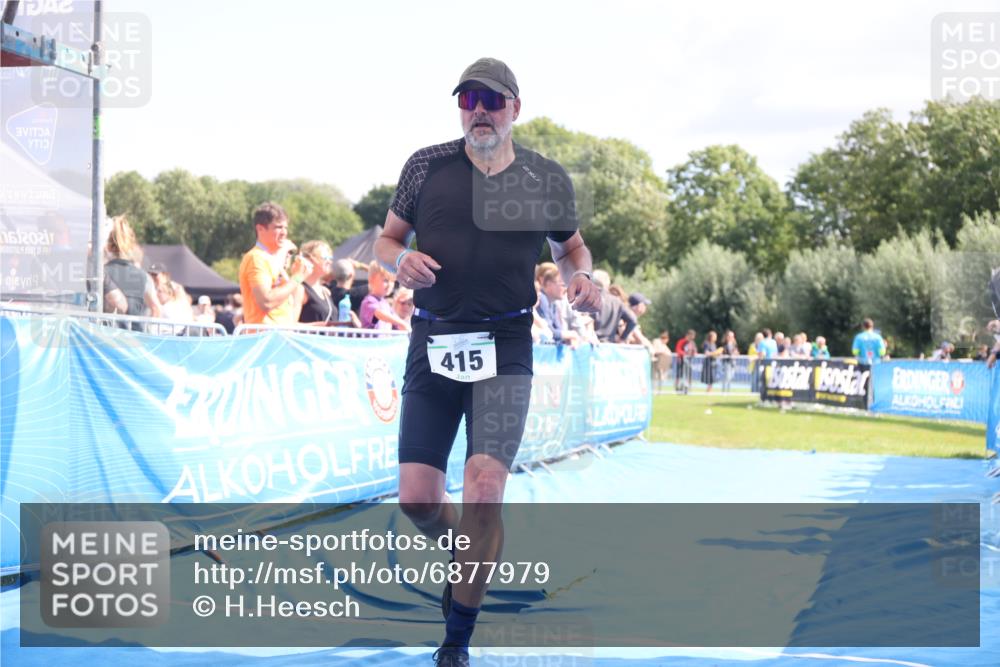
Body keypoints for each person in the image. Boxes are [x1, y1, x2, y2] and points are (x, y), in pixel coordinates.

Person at [372, 56, 600, 667]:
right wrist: (399, 261)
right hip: (434, 340)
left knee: (483, 486)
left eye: (491, 100)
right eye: (468, 98)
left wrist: (588, 279)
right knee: (418, 499)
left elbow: (572, 249)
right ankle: (467, 553)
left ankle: (456, 642)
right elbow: (387, 238)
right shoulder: (425, 166)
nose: (479, 109)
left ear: (514, 109)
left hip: (504, 347)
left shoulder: (545, 179)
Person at [238, 202, 311, 325]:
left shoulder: (272, 260)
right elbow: (267, 302)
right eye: (278, 227)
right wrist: (298, 277)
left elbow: (287, 316)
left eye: (286, 228)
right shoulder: (256, 258)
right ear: (260, 229)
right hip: (265, 339)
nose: (284, 233)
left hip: (280, 337)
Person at [102, 215, 161, 327]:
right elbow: (156, 308)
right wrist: (148, 333)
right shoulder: (143, 276)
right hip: (135, 340)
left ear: (108, 247)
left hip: (105, 339)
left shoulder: (101, 274)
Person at [535, 263, 580, 347]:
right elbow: (549, 332)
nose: (566, 288)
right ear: (548, 284)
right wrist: (571, 335)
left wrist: (569, 337)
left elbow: (558, 330)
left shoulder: (553, 304)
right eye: (563, 285)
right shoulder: (540, 300)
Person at [360, 261, 410, 331]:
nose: (390, 285)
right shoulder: (369, 301)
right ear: (372, 280)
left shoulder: (385, 303)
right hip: (372, 341)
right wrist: (401, 323)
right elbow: (379, 314)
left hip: (384, 340)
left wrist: (402, 325)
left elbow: (394, 317)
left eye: (392, 281)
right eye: (386, 280)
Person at [298, 241, 337, 324]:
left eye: (330, 258)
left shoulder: (325, 292)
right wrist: (313, 326)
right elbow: (289, 325)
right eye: (325, 258)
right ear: (310, 260)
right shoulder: (300, 290)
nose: (329, 261)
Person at [592, 270, 636, 343]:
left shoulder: (588, 298)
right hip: (610, 346)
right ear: (607, 283)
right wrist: (623, 338)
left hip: (590, 345)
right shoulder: (617, 302)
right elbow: (633, 320)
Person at [327, 259, 363, 327]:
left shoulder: (327, 291)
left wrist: (335, 271)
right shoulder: (358, 293)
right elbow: (379, 277)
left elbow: (321, 279)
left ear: (333, 275)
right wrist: (361, 266)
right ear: (351, 275)